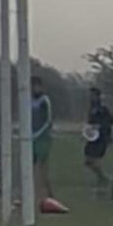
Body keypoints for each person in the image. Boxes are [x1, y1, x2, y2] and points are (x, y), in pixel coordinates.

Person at [32, 76, 68, 213]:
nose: (34, 88)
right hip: (31, 138)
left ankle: (44, 196)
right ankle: (44, 195)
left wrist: (37, 134)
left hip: (43, 138)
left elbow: (48, 121)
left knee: (40, 167)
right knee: (30, 167)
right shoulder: (29, 101)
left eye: (36, 86)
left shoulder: (44, 100)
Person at [83, 87, 113, 187]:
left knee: (95, 160)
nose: (91, 97)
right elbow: (90, 123)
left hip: (101, 138)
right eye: (90, 95)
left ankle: (103, 179)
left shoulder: (103, 108)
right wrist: (86, 133)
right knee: (87, 161)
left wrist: (100, 126)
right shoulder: (91, 108)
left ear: (98, 96)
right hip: (92, 137)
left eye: (93, 95)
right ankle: (103, 177)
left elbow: (111, 121)